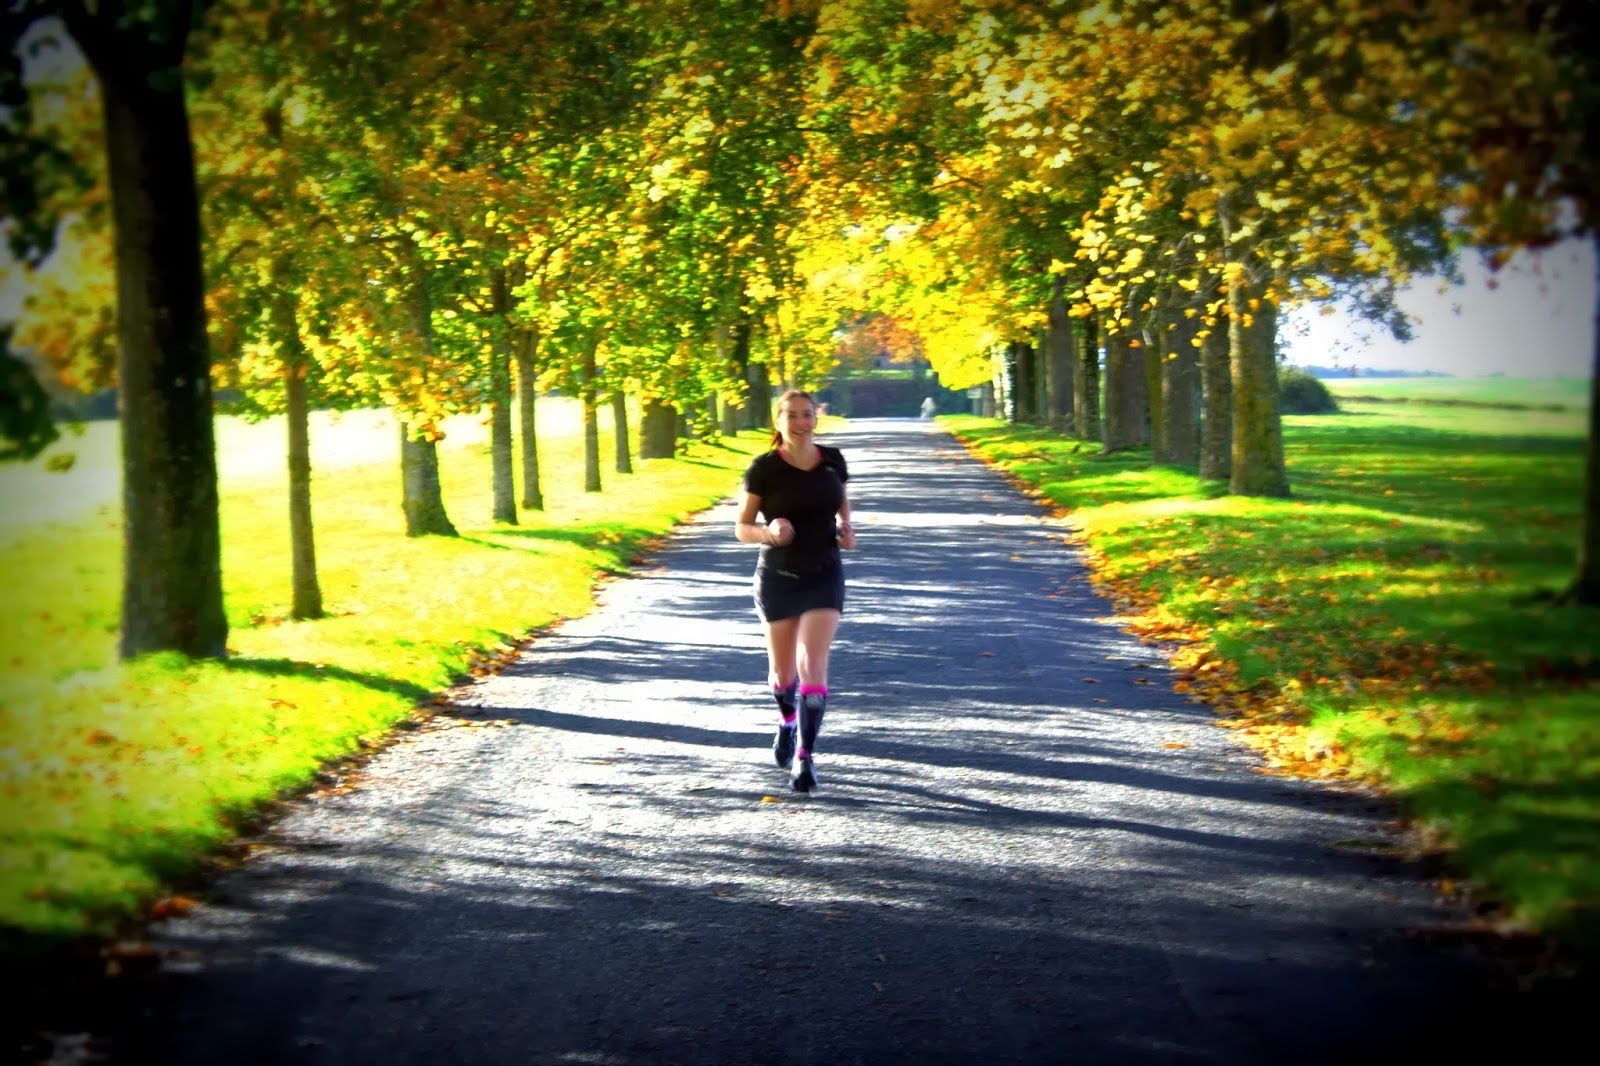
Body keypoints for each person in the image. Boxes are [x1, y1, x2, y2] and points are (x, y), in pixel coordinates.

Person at [734, 390, 855, 792]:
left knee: (812, 665)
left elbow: (841, 503)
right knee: (783, 676)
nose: (802, 423)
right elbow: (742, 528)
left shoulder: (833, 460)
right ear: (778, 421)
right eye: (793, 416)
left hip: (824, 572)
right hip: (779, 577)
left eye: (808, 415)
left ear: (816, 419)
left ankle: (805, 756)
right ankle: (787, 720)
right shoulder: (764, 469)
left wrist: (844, 527)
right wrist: (769, 533)